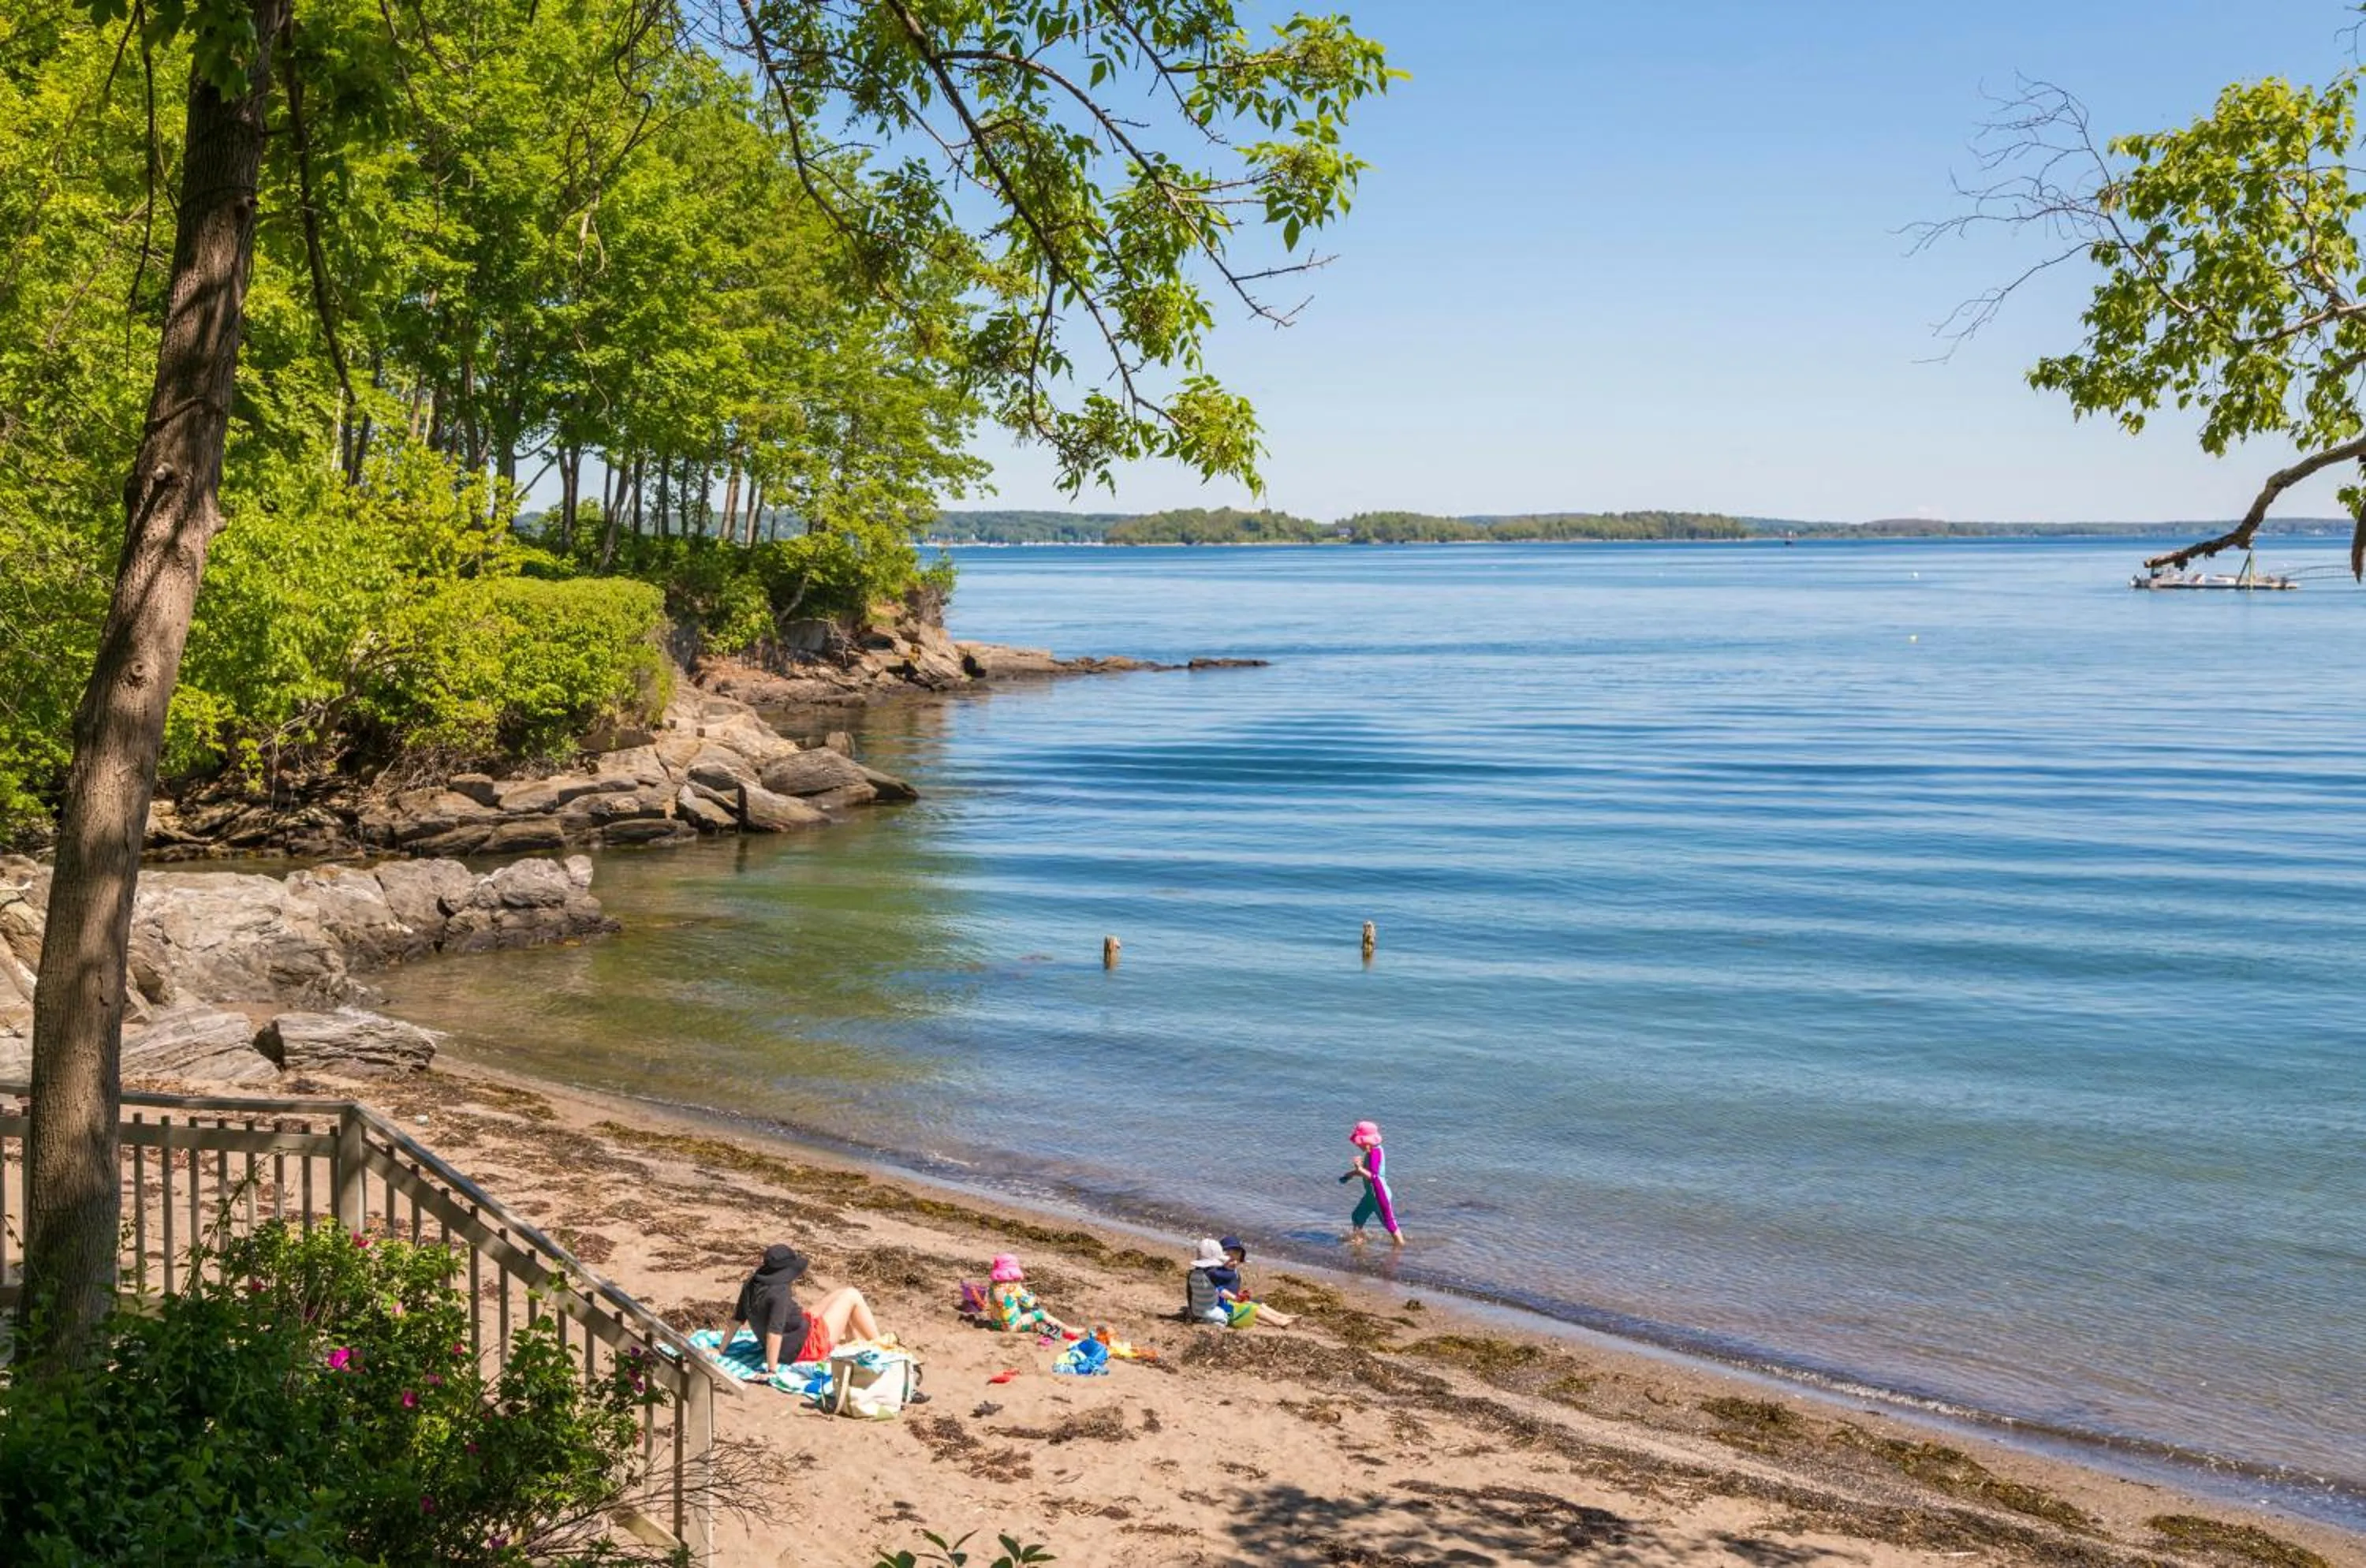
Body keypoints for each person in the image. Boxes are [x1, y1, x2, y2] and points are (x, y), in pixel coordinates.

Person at [715, 1243, 888, 1372]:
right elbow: (774, 1333)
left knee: (840, 1295)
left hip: (795, 1335)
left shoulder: (751, 1284)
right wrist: (772, 1370)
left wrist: (721, 1350)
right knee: (852, 1295)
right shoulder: (779, 1293)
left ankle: (853, 1344)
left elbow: (737, 1319)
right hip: (807, 1348)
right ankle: (883, 1347)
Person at [1185, 1236, 1297, 1328]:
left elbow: (1226, 1289)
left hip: (1227, 1301)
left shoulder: (1219, 1272)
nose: (1234, 1262)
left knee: (1258, 1302)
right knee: (1252, 1307)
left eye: (1237, 1259)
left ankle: (1281, 1316)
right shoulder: (1215, 1273)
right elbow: (1220, 1290)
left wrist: (1239, 1295)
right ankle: (1278, 1322)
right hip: (1221, 1304)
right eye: (1230, 1260)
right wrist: (1236, 1298)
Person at [987, 1253, 1080, 1339]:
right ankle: (1068, 1329)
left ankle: (1040, 1327)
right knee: (1041, 1314)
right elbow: (1029, 1303)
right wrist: (1034, 1297)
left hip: (995, 1324)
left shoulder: (992, 1286)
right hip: (1011, 1326)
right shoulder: (1014, 1288)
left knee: (1019, 1311)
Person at [1341, 1119, 1405, 1245]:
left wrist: (1359, 1169)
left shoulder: (1376, 1152)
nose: (1357, 1145)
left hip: (1380, 1194)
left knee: (1389, 1223)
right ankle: (1358, 1243)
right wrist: (1351, 1174)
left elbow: (1374, 1176)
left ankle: (1401, 1246)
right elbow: (1367, 1172)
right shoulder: (1370, 1152)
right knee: (1357, 1216)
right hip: (1371, 1195)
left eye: (1359, 1142)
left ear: (1366, 1142)